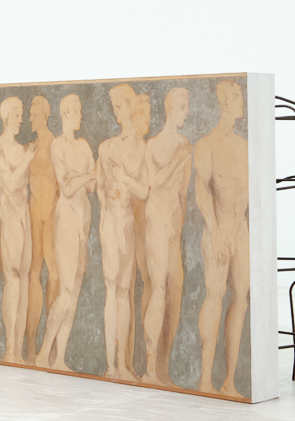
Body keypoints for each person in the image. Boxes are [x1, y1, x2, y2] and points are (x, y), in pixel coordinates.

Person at [193, 79, 250, 397]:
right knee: (215, 295)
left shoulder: (244, 147)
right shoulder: (207, 145)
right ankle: (205, 380)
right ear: (225, 102)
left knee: (241, 296)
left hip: (240, 228)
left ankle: (229, 381)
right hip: (218, 228)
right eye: (237, 97)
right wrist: (216, 232)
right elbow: (202, 192)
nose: (242, 102)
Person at [139, 87, 194, 387]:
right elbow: (154, 184)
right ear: (171, 109)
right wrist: (176, 161)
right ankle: (149, 370)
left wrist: (178, 225)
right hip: (156, 221)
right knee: (159, 288)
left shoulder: (185, 146)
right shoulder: (154, 145)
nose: (187, 112)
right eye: (183, 107)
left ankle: (162, 368)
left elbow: (182, 193)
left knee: (176, 292)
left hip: (172, 224)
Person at [38, 94, 96, 370]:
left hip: (83, 219)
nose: (80, 115)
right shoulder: (57, 146)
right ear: (66, 114)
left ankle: (59, 358)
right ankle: (43, 354)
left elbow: (92, 186)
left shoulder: (83, 145)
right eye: (77, 111)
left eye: (80, 110)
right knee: (66, 290)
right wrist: (83, 177)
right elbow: (69, 188)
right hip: (66, 220)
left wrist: (79, 178)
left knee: (74, 294)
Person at [96, 86, 150, 380]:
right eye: (114, 106)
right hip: (110, 223)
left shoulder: (142, 148)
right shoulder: (105, 147)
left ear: (130, 106)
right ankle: (110, 366)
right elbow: (100, 189)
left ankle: (123, 365)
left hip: (127, 222)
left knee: (124, 290)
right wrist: (106, 208)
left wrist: (123, 178)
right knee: (111, 289)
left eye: (119, 106)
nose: (116, 111)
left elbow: (143, 191)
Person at [0, 96, 35, 362]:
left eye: (21, 115)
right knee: (14, 277)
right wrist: (27, 161)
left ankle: (17, 349)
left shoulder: (20, 148)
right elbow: (9, 184)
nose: (21, 120)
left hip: (23, 216)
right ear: (6, 116)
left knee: (25, 278)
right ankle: (10, 348)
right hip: (9, 217)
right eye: (17, 115)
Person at [25, 95, 59, 363]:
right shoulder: (30, 147)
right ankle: (30, 345)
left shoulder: (55, 144)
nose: (30, 119)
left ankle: (53, 346)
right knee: (34, 274)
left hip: (53, 213)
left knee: (54, 275)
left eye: (34, 115)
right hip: (34, 212)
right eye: (30, 115)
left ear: (45, 115)